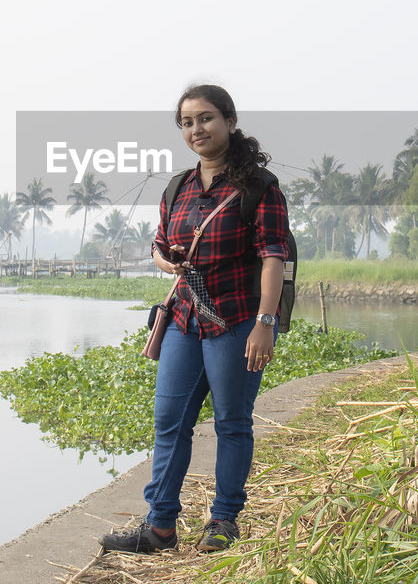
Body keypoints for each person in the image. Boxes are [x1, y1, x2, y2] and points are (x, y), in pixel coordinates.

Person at [100, 84, 291, 554]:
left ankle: (223, 521)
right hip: (185, 321)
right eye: (186, 122)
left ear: (228, 120)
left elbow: (273, 256)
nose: (196, 129)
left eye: (205, 118)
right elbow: (161, 241)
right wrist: (165, 261)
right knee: (169, 421)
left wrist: (265, 323)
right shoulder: (178, 187)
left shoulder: (258, 188)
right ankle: (160, 525)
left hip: (237, 321)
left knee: (231, 422)